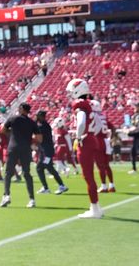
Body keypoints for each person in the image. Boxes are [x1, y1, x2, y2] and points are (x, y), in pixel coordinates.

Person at [67, 78, 105, 218]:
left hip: (85, 141)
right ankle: (96, 207)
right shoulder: (89, 104)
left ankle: (94, 209)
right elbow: (99, 125)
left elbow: (82, 121)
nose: (70, 94)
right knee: (90, 175)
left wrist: (78, 136)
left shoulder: (80, 105)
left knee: (88, 176)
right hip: (92, 139)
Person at [0, 103, 40, 208]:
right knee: (27, 174)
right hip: (25, 149)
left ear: (21, 109)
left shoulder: (13, 119)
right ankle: (32, 199)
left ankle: (6, 195)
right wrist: (30, 141)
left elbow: (3, 130)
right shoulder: (32, 122)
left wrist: (12, 134)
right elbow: (39, 138)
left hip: (13, 148)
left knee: (8, 173)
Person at [34, 110, 68, 195]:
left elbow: (39, 138)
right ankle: (48, 187)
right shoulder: (43, 125)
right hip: (44, 151)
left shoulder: (43, 126)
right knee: (42, 168)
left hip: (46, 151)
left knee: (47, 167)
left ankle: (60, 185)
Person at [90, 100, 115, 193]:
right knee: (106, 165)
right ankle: (112, 185)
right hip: (106, 141)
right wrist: (111, 137)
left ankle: (104, 186)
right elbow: (112, 127)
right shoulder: (103, 116)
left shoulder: (94, 116)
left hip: (98, 141)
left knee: (100, 166)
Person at [126, 103, 139, 174]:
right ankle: (134, 169)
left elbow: (137, 128)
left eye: (136, 107)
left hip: (137, 135)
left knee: (133, 151)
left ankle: (134, 169)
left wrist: (129, 131)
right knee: (133, 152)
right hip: (136, 136)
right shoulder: (134, 116)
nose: (135, 108)